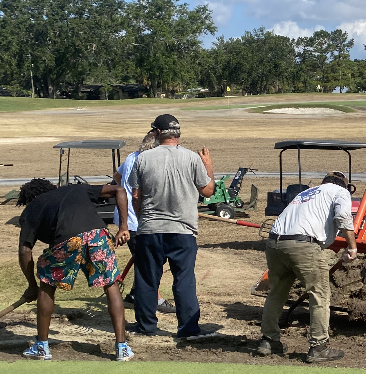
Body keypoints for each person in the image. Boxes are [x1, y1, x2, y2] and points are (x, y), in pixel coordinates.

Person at [16, 178, 134, 361]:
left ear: (29, 199)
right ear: (53, 188)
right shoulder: (76, 189)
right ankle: (122, 348)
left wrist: (32, 285)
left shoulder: (32, 208)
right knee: (111, 284)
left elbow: (25, 251)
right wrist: (123, 227)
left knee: (47, 285)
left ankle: (41, 347)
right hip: (98, 236)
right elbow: (119, 190)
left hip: (66, 240)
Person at [126, 114, 216, 340]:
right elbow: (208, 191)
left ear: (156, 133)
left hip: (150, 229)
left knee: (147, 279)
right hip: (183, 230)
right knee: (184, 278)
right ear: (178, 134)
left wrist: (142, 217)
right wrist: (209, 168)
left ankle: (146, 326)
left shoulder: (143, 159)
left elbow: (136, 195)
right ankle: (188, 328)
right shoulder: (192, 158)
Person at [258, 171, 357, 363]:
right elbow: (343, 215)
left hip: (275, 243)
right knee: (319, 294)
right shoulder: (340, 191)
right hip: (304, 245)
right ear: (344, 185)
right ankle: (318, 346)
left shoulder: (306, 193)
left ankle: (268, 341)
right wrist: (352, 246)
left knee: (276, 293)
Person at [114, 130, 173, 314]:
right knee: (150, 261)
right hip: (135, 221)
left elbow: (117, 177)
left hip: (127, 218)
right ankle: (155, 299)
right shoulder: (148, 161)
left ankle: (133, 294)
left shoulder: (132, 156)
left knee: (145, 259)